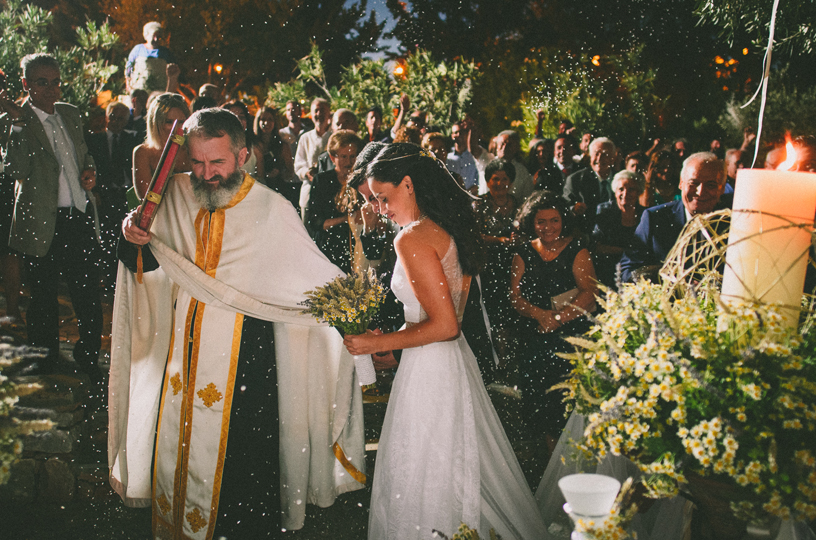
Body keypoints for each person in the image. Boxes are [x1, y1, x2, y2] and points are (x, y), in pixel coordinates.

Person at [110, 108, 365, 537]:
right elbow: (149, 259)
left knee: (244, 462)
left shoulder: (273, 209)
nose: (206, 174)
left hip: (249, 357)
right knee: (181, 441)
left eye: (218, 162)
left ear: (243, 155)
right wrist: (132, 234)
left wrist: (358, 318)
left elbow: (309, 276)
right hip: (183, 349)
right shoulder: (173, 194)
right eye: (196, 162)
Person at [343, 143, 546, 540]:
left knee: (426, 461)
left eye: (383, 197)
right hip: (449, 361)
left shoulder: (412, 238)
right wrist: (396, 340)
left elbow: (445, 325)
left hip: (432, 364)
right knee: (455, 458)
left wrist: (372, 344)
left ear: (408, 184)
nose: (380, 208)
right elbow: (446, 314)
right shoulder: (446, 228)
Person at [3, 53, 102, 378]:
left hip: (79, 217)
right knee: (43, 297)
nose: (50, 89)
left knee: (87, 294)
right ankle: (45, 360)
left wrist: (90, 170)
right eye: (42, 83)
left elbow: (85, 153)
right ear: (26, 84)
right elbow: (14, 169)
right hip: (41, 222)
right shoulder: (16, 120)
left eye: (55, 82)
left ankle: (88, 358)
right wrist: (17, 123)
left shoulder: (70, 114)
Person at [510, 190, 597, 447]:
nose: (548, 227)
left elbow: (590, 293)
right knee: (539, 403)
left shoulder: (577, 249)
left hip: (571, 336)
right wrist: (539, 314)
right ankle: (547, 461)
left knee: (568, 400)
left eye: (554, 221)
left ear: (563, 220)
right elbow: (514, 296)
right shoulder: (524, 251)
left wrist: (557, 318)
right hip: (535, 337)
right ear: (531, 223)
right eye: (541, 222)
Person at [620, 152, 731, 282]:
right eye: (693, 183)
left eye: (710, 185)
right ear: (681, 184)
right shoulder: (655, 218)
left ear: (722, 188)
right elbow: (628, 271)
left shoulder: (731, 224)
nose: (700, 192)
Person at [85, 101, 141, 287]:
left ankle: (123, 276)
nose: (116, 122)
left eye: (121, 119)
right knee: (107, 235)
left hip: (125, 193)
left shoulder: (132, 139)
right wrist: (95, 192)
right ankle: (109, 277)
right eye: (113, 117)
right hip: (105, 193)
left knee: (125, 233)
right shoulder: (95, 139)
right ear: (107, 118)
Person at [473, 158, 520, 363]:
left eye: (504, 179)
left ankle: (510, 357)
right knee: (492, 311)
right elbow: (472, 235)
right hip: (487, 266)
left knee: (511, 310)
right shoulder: (479, 204)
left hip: (513, 265)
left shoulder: (519, 204)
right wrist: (498, 240)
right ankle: (495, 358)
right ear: (488, 181)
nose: (500, 184)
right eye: (495, 179)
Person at [306, 130, 363, 273]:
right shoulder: (322, 181)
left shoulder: (362, 180)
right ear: (332, 158)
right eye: (343, 156)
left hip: (358, 248)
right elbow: (314, 222)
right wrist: (347, 219)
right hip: (329, 247)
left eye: (352, 156)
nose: (349, 162)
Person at [592, 170, 646, 288]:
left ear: (639, 192)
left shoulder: (645, 214)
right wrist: (626, 251)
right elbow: (597, 247)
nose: (625, 193)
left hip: (636, 272)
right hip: (608, 271)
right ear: (615, 192)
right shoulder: (605, 211)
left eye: (631, 189)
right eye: (621, 189)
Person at [131, 92, 190, 201]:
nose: (175, 127)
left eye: (181, 122)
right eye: (169, 122)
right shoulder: (143, 152)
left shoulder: (192, 149)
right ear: (155, 123)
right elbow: (146, 198)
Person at [563, 136, 616, 231]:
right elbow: (565, 206)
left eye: (605, 154)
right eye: (596, 154)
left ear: (612, 159)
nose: (599, 158)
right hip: (586, 233)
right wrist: (574, 209)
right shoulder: (576, 180)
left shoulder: (620, 179)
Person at [294, 98, 331, 219]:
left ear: (329, 113)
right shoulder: (305, 138)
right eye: (316, 111)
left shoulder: (333, 137)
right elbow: (298, 164)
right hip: (308, 192)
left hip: (329, 194)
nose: (319, 114)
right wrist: (307, 173)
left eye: (322, 110)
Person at [125, 21, 178, 94]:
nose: (156, 39)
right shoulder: (138, 50)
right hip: (140, 92)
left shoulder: (165, 53)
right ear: (146, 36)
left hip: (159, 92)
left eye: (158, 37)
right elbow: (129, 67)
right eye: (154, 36)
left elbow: (174, 71)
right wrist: (128, 85)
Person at [221, 100, 265, 180]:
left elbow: (261, 180)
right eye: (233, 117)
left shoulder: (255, 146)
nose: (238, 121)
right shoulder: (215, 147)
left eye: (242, 117)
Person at [446, 121, 479, 192]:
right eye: (456, 132)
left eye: (461, 132)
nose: (458, 135)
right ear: (452, 136)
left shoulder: (474, 156)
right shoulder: (448, 158)